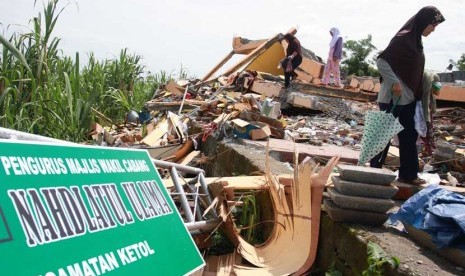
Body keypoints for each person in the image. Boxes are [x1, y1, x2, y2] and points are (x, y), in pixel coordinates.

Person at [369, 6, 445, 186]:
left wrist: (429, 80)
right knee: (383, 136)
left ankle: (408, 174)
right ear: (424, 22)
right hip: (392, 98)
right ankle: (372, 173)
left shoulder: (416, 42)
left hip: (409, 98)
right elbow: (382, 61)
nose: (433, 30)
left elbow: (411, 69)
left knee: (409, 136)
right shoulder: (403, 39)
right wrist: (394, 81)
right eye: (432, 26)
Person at [419, 70, 441, 156]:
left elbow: (437, 92)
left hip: (426, 112)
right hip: (425, 114)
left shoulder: (426, 94)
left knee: (425, 132)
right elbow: (437, 92)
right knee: (426, 133)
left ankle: (426, 150)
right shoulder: (424, 94)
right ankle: (427, 150)